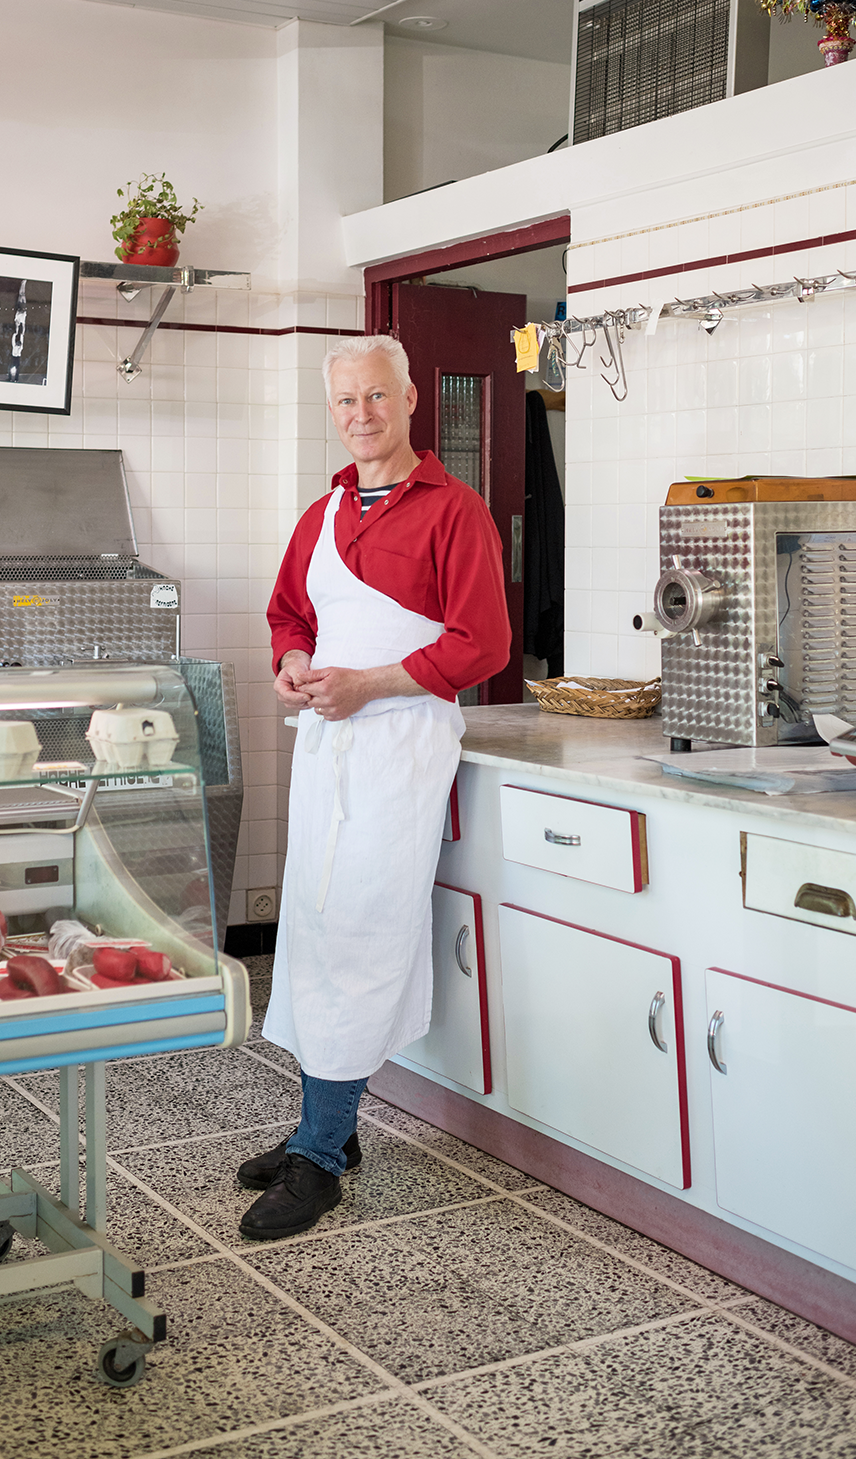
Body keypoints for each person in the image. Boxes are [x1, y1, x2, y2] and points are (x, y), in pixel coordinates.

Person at [238, 333, 511, 1240]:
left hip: (399, 749)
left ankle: (319, 1159)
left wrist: (370, 685)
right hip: (328, 746)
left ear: (409, 401)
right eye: (346, 402)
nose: (362, 415)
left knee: (361, 929)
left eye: (377, 398)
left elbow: (482, 645)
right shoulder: (323, 515)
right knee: (314, 926)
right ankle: (329, 1130)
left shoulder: (453, 510)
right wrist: (295, 663)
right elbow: (288, 614)